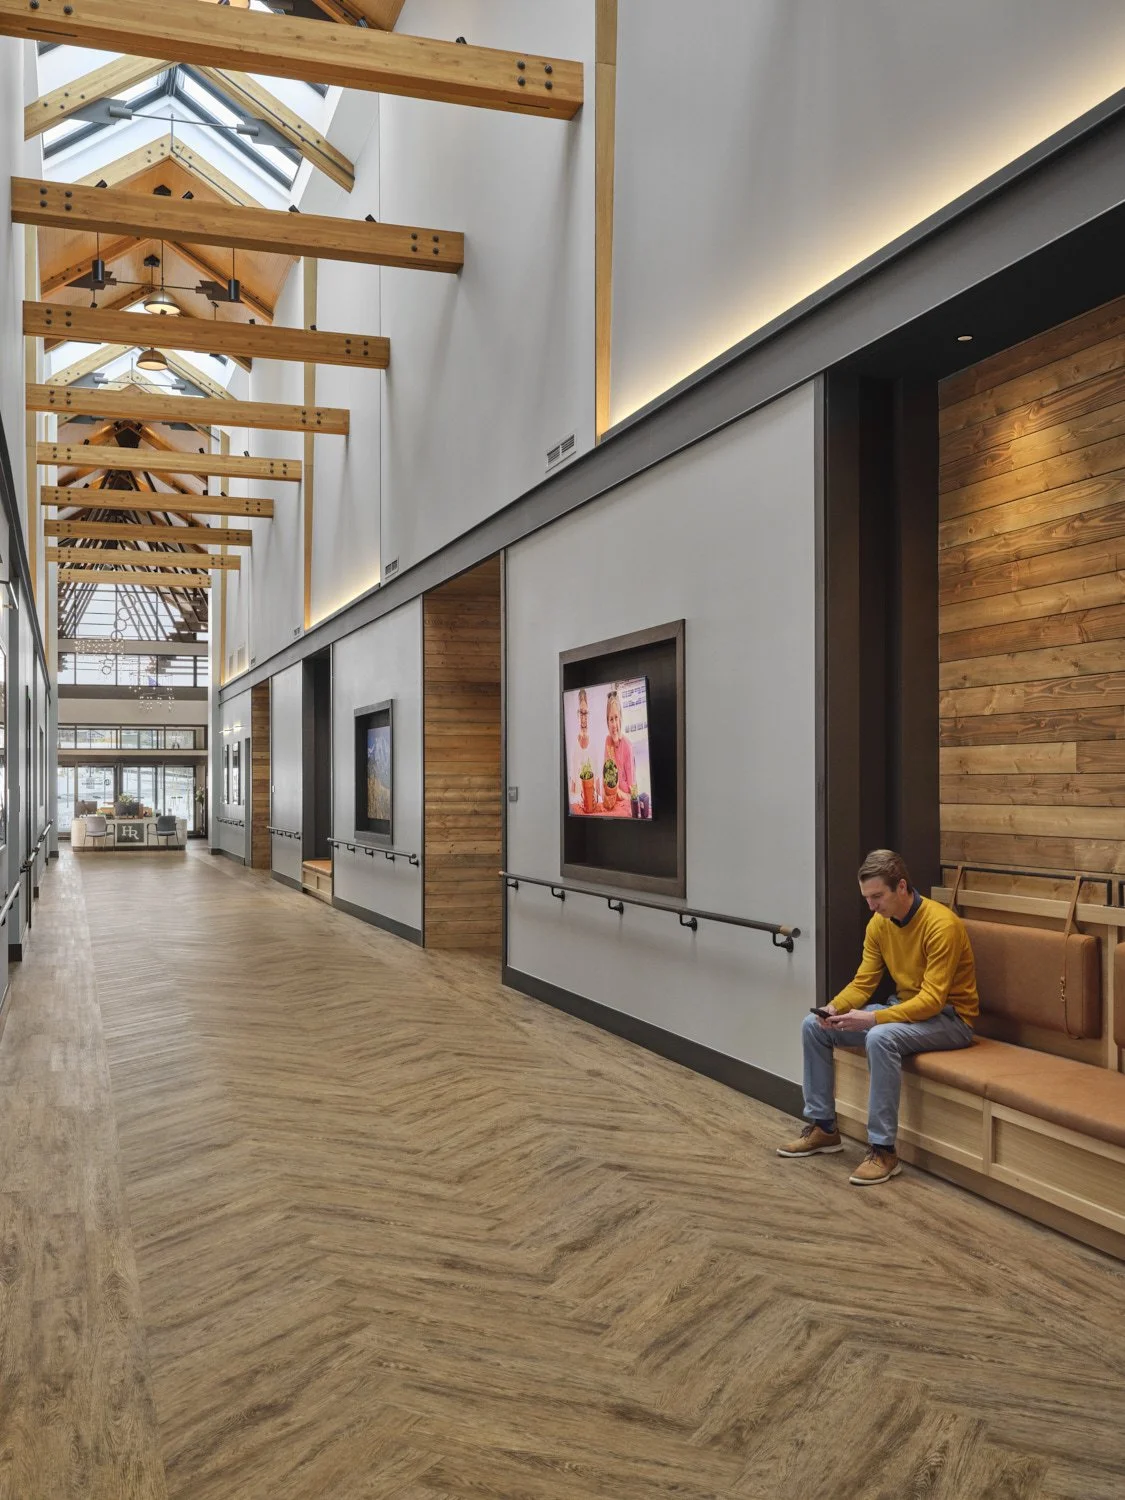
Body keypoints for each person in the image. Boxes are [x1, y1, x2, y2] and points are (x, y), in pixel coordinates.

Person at [777, 848, 978, 1185]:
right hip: (905, 1009)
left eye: (877, 897)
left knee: (880, 1036)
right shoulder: (879, 924)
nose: (871, 906)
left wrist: (872, 1019)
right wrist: (834, 1008)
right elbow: (863, 982)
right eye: (867, 898)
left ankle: (883, 1150)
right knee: (814, 1026)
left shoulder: (941, 925)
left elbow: (931, 1001)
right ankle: (824, 1128)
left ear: (902, 887)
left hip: (951, 1019)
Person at [603, 688, 635, 796]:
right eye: (611, 719)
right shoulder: (608, 741)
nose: (614, 724)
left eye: (616, 717)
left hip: (626, 802)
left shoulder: (627, 746)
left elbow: (633, 795)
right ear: (607, 722)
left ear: (620, 718)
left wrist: (618, 792)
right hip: (612, 800)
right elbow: (606, 781)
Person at [568, 688, 593, 798]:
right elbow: (572, 787)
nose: (583, 719)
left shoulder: (594, 744)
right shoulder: (573, 747)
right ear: (577, 715)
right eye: (580, 713)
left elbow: (598, 787)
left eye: (585, 713)